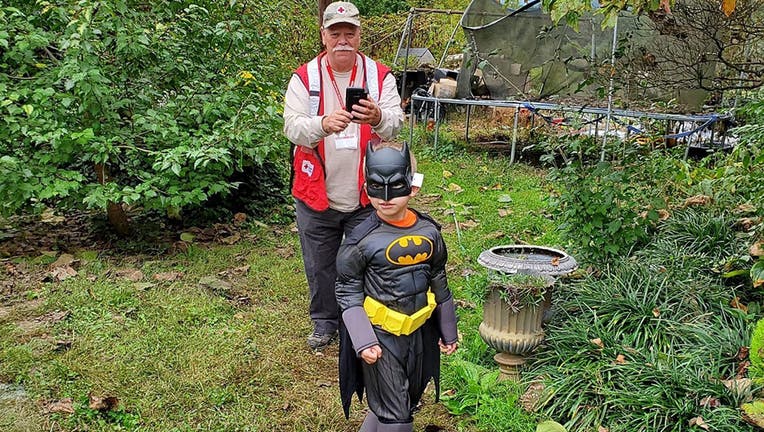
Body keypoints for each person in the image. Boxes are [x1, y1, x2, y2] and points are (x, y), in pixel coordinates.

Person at [283, 1, 404, 350]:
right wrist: (321, 124)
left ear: (359, 35)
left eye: (349, 32)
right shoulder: (304, 77)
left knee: (365, 259)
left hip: (368, 192)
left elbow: (396, 124)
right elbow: (292, 127)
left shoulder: (379, 76)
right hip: (316, 190)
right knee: (320, 262)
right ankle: (324, 322)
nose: (342, 40)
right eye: (335, 32)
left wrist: (378, 115)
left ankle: (363, 320)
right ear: (323, 36)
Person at [335, 142, 459, 432]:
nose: (386, 197)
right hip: (380, 337)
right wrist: (363, 340)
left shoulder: (429, 232)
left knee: (401, 401)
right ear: (366, 186)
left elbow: (438, 278)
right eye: (377, 186)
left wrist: (448, 329)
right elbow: (347, 292)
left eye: (396, 185)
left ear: (412, 186)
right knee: (397, 415)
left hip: (417, 333)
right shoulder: (359, 241)